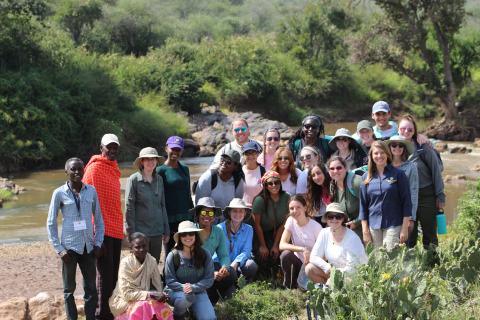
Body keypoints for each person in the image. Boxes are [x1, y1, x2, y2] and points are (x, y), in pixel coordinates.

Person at [47, 158, 104, 320]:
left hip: (88, 247)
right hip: (69, 249)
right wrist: (59, 249)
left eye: (80, 169)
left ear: (84, 170)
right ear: (66, 171)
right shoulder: (59, 193)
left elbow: (99, 220)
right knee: (68, 290)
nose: (77, 172)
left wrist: (98, 243)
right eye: (73, 169)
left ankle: (90, 318)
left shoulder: (91, 191)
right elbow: (51, 223)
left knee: (91, 289)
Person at [83, 133, 123, 320]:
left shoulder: (114, 169)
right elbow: (86, 202)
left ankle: (109, 310)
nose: (112, 150)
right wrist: (93, 233)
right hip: (100, 230)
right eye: (109, 147)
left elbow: (114, 201)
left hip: (115, 227)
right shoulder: (94, 169)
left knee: (113, 273)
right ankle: (101, 313)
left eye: (115, 147)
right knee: (104, 274)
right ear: (101, 148)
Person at [398, 115, 445, 249]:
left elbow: (436, 171)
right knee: (408, 235)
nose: (406, 132)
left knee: (429, 235)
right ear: (398, 130)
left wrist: (440, 195)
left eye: (410, 129)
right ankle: (410, 268)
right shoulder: (393, 147)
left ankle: (432, 266)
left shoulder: (424, 148)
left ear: (415, 131)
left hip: (426, 196)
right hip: (405, 198)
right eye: (403, 128)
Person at [359, 141, 412, 250]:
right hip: (373, 226)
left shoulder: (399, 175)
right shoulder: (366, 177)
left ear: (387, 154)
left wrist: (405, 228)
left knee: (390, 259)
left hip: (394, 224)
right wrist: (365, 230)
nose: (379, 156)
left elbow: (407, 202)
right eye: (376, 153)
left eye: (382, 153)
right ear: (371, 156)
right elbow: (363, 206)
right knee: (377, 260)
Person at [109, 233, 173, 320]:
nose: (142, 249)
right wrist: (150, 294)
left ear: (148, 246)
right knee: (143, 306)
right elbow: (126, 294)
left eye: (144, 246)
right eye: (137, 247)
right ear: (131, 248)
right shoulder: (125, 263)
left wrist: (161, 296)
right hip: (124, 301)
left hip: (145, 298)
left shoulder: (152, 261)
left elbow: (158, 286)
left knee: (163, 307)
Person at [305, 203, 368, 286]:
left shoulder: (352, 238)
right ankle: (327, 289)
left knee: (334, 282)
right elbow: (313, 257)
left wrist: (334, 276)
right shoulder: (324, 233)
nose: (334, 219)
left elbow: (353, 268)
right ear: (326, 219)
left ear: (343, 219)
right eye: (330, 216)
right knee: (309, 269)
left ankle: (332, 290)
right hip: (333, 271)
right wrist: (328, 267)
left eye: (338, 216)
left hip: (352, 276)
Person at [125, 147, 169, 263]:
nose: (151, 162)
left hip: (157, 232)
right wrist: (131, 234)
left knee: (154, 264)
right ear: (142, 162)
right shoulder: (133, 180)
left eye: (153, 159)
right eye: (147, 159)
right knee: (140, 266)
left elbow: (163, 205)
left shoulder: (159, 179)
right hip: (140, 233)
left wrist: (166, 230)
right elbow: (129, 208)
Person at [164, 221, 215, 320]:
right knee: (187, 298)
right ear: (179, 237)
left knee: (209, 318)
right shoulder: (173, 256)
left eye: (191, 233)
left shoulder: (205, 254)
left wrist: (193, 287)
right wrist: (184, 287)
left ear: (196, 235)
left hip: (199, 291)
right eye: (183, 234)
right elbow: (169, 280)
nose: (187, 237)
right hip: (176, 292)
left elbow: (209, 279)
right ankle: (178, 315)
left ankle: (193, 311)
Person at [192, 197, 236, 305]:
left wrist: (224, 267)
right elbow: (189, 262)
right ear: (197, 214)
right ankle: (203, 301)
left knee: (231, 274)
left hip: (208, 267)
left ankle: (219, 298)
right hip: (192, 271)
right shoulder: (191, 230)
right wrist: (211, 274)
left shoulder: (218, 231)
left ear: (214, 217)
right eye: (203, 212)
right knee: (209, 281)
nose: (207, 216)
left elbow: (224, 255)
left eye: (210, 213)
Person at [157, 136, 194, 251]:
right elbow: (158, 198)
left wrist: (192, 215)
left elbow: (188, 194)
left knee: (186, 250)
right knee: (170, 252)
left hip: (185, 217)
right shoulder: (160, 171)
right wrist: (162, 222)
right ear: (166, 149)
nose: (175, 152)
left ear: (182, 151)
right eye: (173, 149)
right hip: (169, 219)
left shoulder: (185, 169)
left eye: (178, 150)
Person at [279, 195, 322, 289]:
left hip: (312, 265)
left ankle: (304, 285)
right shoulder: (290, 221)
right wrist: (303, 249)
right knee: (285, 255)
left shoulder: (316, 227)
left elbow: (324, 252)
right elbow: (282, 244)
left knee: (306, 288)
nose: (295, 211)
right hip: (298, 262)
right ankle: (289, 286)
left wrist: (311, 257)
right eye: (291, 208)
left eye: (298, 207)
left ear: (305, 208)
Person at [252, 171, 290, 277]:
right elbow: (257, 225)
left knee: (278, 253)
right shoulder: (259, 200)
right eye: (270, 183)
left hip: (281, 232)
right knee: (264, 255)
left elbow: (285, 223)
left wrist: (276, 244)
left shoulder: (286, 197)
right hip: (262, 234)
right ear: (265, 186)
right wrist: (263, 246)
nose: (274, 185)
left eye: (276, 182)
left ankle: (282, 274)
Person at [385, 135, 419, 235]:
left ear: (404, 149)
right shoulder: (383, 165)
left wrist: (411, 218)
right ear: (389, 147)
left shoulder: (411, 167)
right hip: (385, 212)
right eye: (394, 145)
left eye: (401, 146)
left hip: (403, 212)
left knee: (402, 245)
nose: (397, 148)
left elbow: (413, 192)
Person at [219, 198, 258, 282]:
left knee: (251, 265)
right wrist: (226, 266)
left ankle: (245, 282)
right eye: (235, 211)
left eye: (241, 211)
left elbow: (247, 251)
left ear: (245, 213)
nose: (238, 214)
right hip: (222, 265)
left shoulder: (249, 229)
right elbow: (217, 253)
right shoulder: (220, 228)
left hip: (240, 264)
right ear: (229, 212)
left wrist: (236, 262)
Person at [327, 156, 363, 234]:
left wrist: (356, 222)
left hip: (364, 228)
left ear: (345, 168)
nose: (335, 171)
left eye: (339, 168)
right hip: (347, 229)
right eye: (332, 169)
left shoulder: (356, 182)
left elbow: (370, 206)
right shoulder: (332, 185)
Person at [241, 141, 265, 207]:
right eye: (247, 153)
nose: (250, 155)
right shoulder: (239, 171)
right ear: (243, 155)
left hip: (259, 209)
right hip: (242, 210)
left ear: (257, 154)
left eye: (253, 153)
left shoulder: (263, 170)